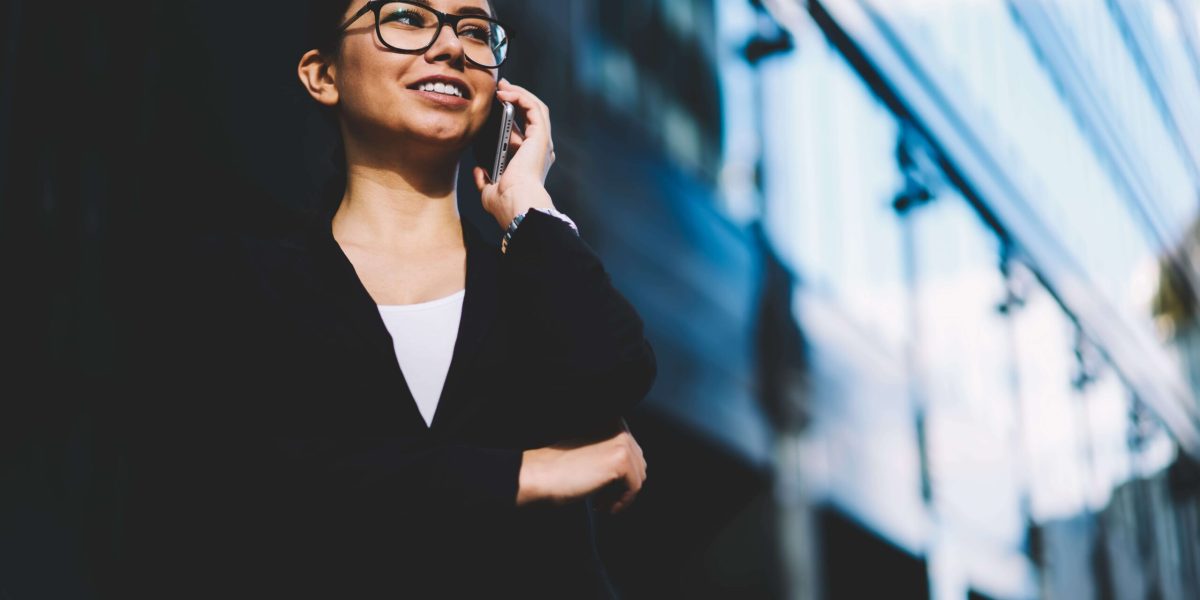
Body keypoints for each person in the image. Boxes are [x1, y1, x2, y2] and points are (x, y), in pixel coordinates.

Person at [120, 0, 655, 598]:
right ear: (323, 75)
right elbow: (251, 487)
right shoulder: (231, 282)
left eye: (475, 30)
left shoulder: (539, 287)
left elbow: (619, 374)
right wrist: (528, 473)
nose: (451, 45)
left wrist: (528, 202)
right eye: (406, 18)